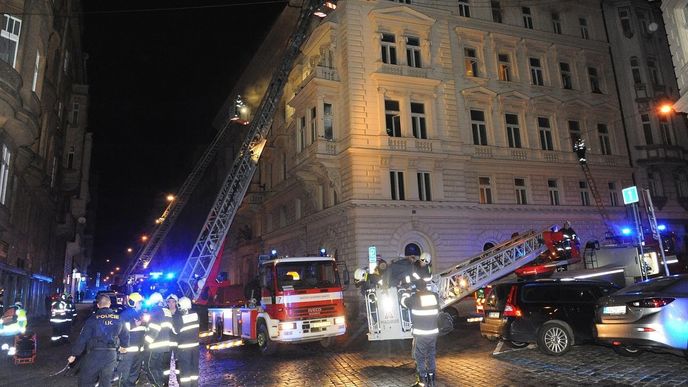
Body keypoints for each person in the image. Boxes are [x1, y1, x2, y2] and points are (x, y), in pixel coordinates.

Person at [68, 293, 129, 387]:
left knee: (86, 380)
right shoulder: (119, 318)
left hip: (94, 354)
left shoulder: (92, 319)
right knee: (106, 382)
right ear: (109, 304)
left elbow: (83, 338)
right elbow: (125, 335)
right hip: (111, 355)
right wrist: (124, 346)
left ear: (98, 305)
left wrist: (74, 354)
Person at [400, 284, 440, 387]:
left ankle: (423, 380)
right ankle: (432, 380)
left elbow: (403, 302)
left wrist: (406, 292)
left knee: (420, 357)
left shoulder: (414, 298)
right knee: (431, 355)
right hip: (433, 332)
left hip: (421, 334)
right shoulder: (434, 296)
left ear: (416, 289)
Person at [144, 292, 176, 387]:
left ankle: (157, 384)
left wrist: (146, 343)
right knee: (158, 367)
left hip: (154, 345)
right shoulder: (167, 311)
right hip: (164, 345)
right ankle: (161, 383)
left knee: (149, 367)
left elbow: (154, 328)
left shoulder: (155, 310)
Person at [117, 292, 147, 387]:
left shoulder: (140, 314)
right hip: (128, 350)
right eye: (139, 302)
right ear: (133, 302)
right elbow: (121, 329)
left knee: (134, 374)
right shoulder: (125, 314)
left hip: (138, 350)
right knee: (125, 374)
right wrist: (135, 324)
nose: (141, 304)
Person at [175, 297, 199, 386]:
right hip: (195, 347)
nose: (179, 307)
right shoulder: (195, 314)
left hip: (184, 348)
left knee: (185, 371)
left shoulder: (180, 317)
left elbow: (175, 331)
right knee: (194, 369)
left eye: (179, 305)